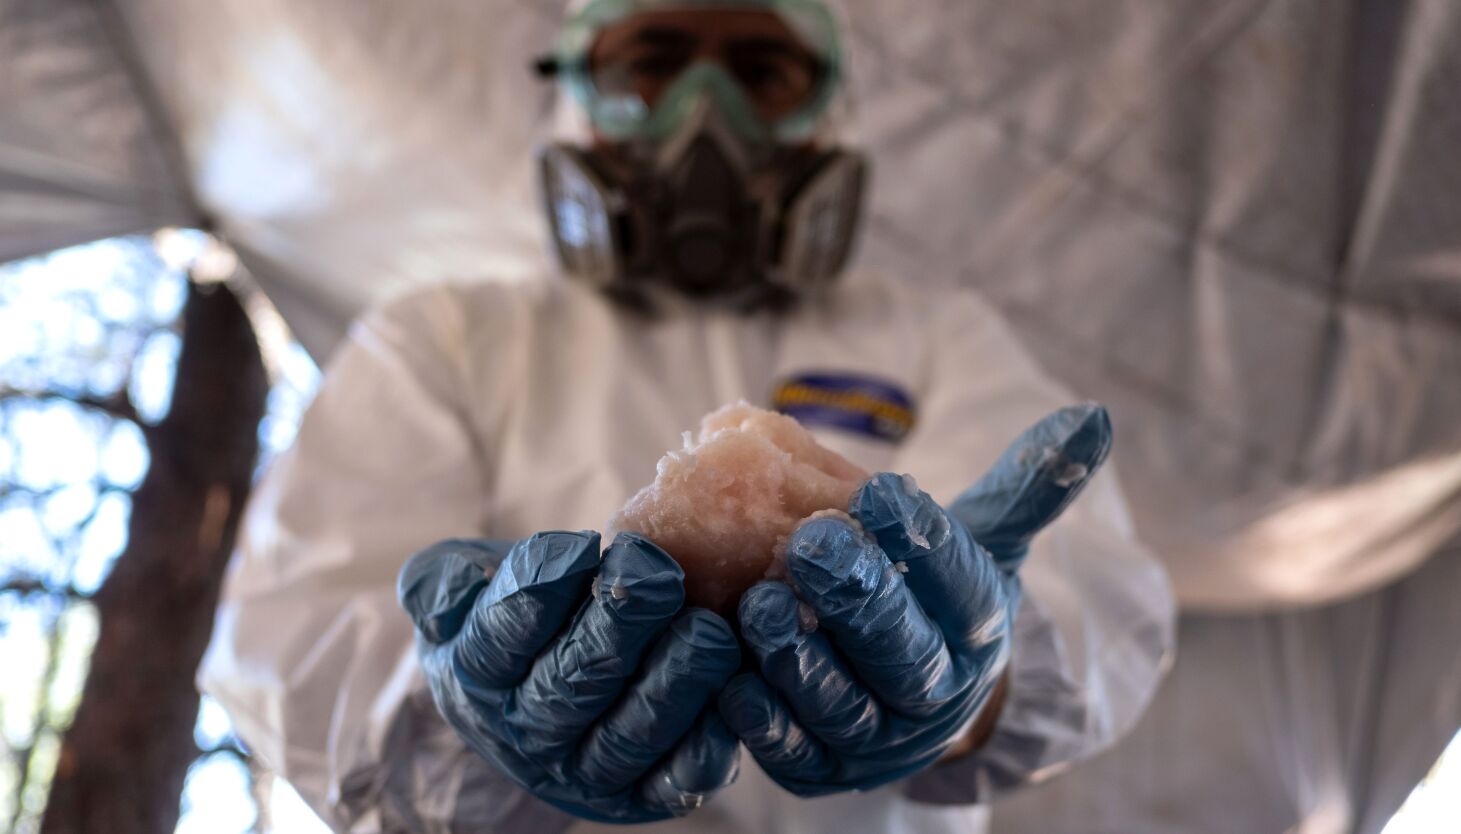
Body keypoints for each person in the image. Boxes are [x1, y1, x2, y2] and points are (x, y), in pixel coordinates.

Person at [199, 1, 1173, 831]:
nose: (704, 114)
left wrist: (978, 678)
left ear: (829, 110)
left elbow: (1101, 597)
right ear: (572, 90)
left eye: (762, 69)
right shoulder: (448, 335)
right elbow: (293, 628)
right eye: (652, 64)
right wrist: (462, 723)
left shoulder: (937, 333)